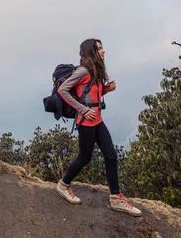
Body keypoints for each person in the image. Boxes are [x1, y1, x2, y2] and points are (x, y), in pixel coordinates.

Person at [55, 39, 142, 217]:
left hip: (98, 120)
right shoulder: (82, 71)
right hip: (86, 122)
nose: (103, 51)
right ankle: (63, 185)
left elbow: (91, 94)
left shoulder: (95, 71)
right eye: (100, 48)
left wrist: (106, 90)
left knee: (110, 154)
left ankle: (116, 198)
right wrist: (83, 110)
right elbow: (63, 90)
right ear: (91, 51)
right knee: (85, 157)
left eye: (102, 48)